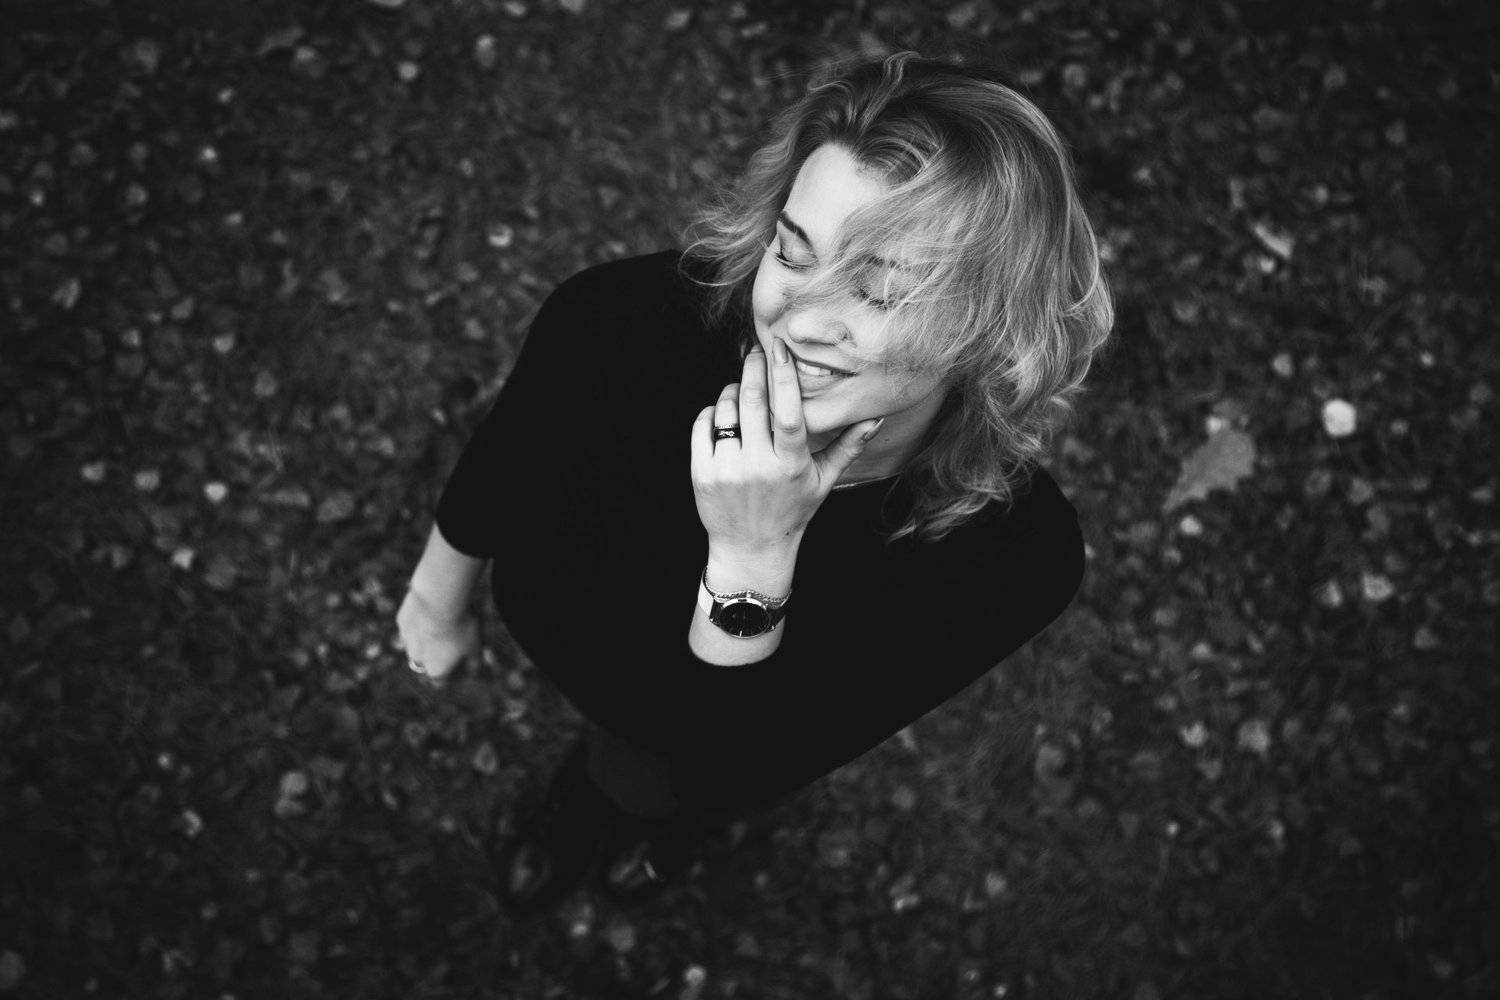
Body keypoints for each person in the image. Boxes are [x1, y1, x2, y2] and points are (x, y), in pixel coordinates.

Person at [395, 50, 1113, 914]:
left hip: (692, 753)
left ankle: (617, 827)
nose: (800, 321)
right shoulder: (623, 320)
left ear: (994, 330)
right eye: (794, 252)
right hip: (566, 635)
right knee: (619, 770)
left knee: (650, 790)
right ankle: (583, 814)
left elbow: (730, 750)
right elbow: (512, 456)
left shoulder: (1014, 557)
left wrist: (754, 554)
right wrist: (436, 598)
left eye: (880, 294)